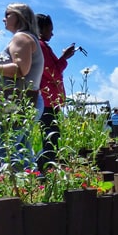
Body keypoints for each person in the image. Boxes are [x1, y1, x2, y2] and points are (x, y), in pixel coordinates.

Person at [0, 3, 43, 169]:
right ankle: (32, 182)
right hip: (25, 100)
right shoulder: (28, 38)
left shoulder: (21, 38)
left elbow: (21, 69)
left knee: (5, 150)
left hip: (16, 101)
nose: (3, 19)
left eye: (7, 14)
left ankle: (13, 183)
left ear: (20, 16)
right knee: (22, 150)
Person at [35, 13, 76, 172]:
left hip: (48, 100)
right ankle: (40, 171)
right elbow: (53, 73)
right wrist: (64, 57)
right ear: (41, 29)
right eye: (50, 30)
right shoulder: (41, 46)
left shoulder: (41, 46)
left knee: (51, 138)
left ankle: (42, 171)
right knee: (51, 139)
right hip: (47, 100)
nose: (52, 34)